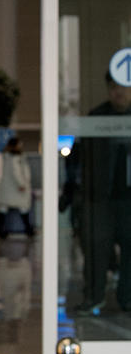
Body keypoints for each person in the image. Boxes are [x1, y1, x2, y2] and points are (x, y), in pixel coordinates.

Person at [65, 74, 131, 315]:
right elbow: (77, 159)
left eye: (124, 87)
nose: (119, 93)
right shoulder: (96, 117)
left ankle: (128, 299)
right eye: (114, 87)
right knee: (96, 251)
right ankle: (93, 297)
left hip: (129, 200)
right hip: (101, 199)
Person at [0, 137, 34, 238]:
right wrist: (21, 184)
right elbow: (16, 172)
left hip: (8, 189)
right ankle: (29, 230)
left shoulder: (6, 156)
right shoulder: (16, 158)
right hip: (16, 189)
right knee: (23, 208)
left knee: (3, 209)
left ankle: (0, 230)